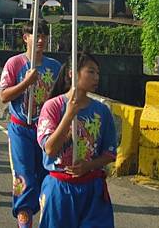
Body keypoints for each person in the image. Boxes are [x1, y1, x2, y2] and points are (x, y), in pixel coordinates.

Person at [37, 53, 117, 228]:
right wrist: (69, 115)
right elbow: (49, 149)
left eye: (98, 73)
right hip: (60, 189)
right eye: (91, 72)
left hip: (92, 188)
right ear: (73, 73)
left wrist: (88, 166)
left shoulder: (102, 111)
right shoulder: (53, 107)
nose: (96, 77)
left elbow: (110, 153)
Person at [0, 21, 63, 228]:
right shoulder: (15, 64)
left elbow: (61, 99)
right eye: (36, 35)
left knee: (47, 175)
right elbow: (3, 96)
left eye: (44, 36)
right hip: (21, 129)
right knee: (24, 174)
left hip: (45, 131)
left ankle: (48, 217)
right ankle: (24, 218)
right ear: (25, 38)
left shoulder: (54, 67)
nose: (41, 40)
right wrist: (25, 83)